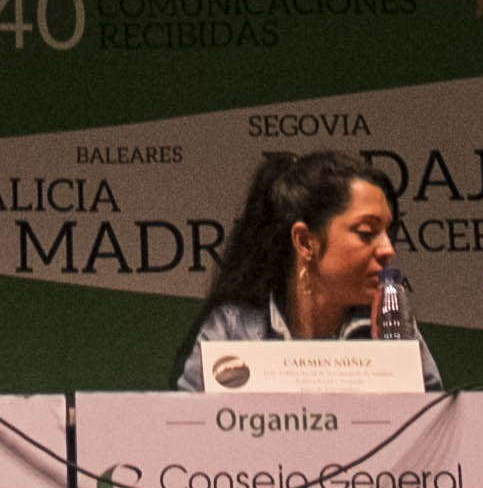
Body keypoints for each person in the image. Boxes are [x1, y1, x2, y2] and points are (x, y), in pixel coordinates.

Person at [175, 148, 441, 390]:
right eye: (367, 232)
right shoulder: (233, 333)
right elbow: (190, 424)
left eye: (387, 232)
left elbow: (434, 420)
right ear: (304, 242)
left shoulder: (392, 325)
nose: (387, 249)